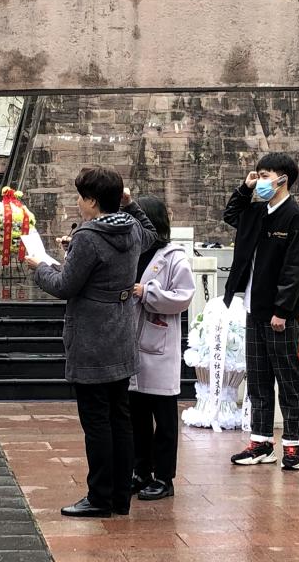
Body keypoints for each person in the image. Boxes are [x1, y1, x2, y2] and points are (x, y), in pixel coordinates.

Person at [25, 166, 158, 518]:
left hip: (91, 336)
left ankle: (99, 497)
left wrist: (40, 266)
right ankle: (120, 496)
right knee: (120, 418)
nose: (79, 203)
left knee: (97, 421)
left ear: (93, 201)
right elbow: (152, 233)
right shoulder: (130, 228)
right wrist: (130, 203)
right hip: (120, 331)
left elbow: (64, 286)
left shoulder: (88, 236)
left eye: (82, 197)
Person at [222, 153, 299, 470]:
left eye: (264, 175)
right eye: (258, 175)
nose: (259, 180)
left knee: (288, 382)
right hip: (254, 308)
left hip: (279, 316)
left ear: (282, 180)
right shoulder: (256, 212)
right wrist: (244, 188)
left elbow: (297, 268)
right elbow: (231, 214)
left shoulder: (295, 218)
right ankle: (261, 442)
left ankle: (293, 445)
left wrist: (283, 310)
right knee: (259, 382)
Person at [128, 196, 195, 502]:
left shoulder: (174, 258)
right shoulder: (133, 252)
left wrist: (147, 292)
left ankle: (164, 477)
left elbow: (183, 297)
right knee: (137, 416)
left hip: (159, 346)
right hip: (132, 344)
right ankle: (140, 470)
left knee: (164, 419)